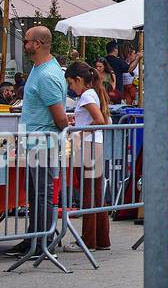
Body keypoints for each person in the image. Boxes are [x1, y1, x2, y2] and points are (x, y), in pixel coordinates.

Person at [3, 27, 70, 259]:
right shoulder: (39, 69)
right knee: (35, 192)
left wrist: (66, 136)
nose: (24, 44)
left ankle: (42, 239)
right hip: (36, 140)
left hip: (43, 141)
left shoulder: (47, 75)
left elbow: (60, 116)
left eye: (27, 40)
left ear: (39, 44)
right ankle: (34, 237)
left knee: (42, 192)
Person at [64, 61, 111, 252]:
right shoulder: (93, 94)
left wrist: (79, 133)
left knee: (89, 194)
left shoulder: (86, 96)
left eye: (71, 83)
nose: (70, 87)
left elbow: (99, 120)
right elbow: (102, 119)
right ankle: (101, 239)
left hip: (88, 146)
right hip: (95, 145)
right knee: (96, 194)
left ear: (78, 80)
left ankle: (88, 240)